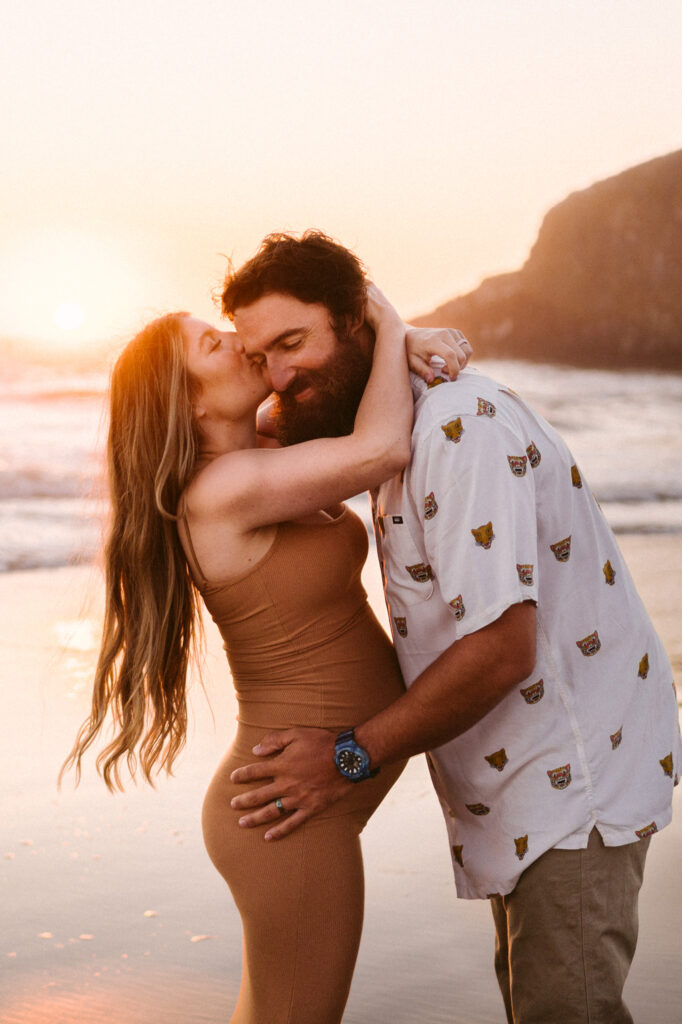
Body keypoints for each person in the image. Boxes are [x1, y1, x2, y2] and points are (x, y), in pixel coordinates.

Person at [225, 231, 682, 1023]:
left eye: (293, 343)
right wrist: (395, 336)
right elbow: (238, 435)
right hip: (521, 788)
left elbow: (502, 650)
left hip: (569, 784)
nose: (278, 378)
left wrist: (346, 758)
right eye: (259, 357)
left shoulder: (455, 433)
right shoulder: (388, 424)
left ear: (352, 326)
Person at [61, 263, 471, 1023]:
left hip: (302, 796)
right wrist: (381, 314)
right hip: (286, 811)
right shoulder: (223, 491)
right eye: (214, 346)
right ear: (187, 400)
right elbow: (384, 449)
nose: (244, 350)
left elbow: (354, 400)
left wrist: (402, 341)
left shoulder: (262, 453)